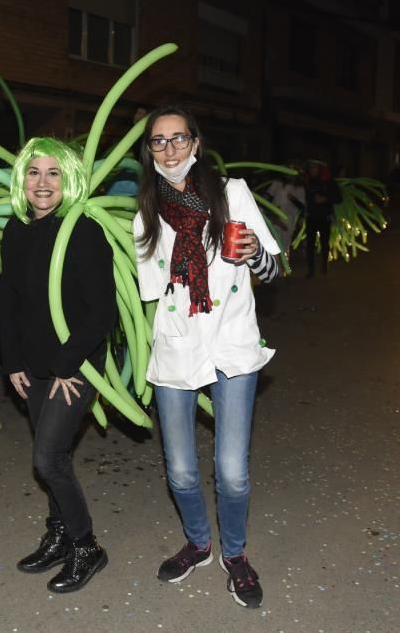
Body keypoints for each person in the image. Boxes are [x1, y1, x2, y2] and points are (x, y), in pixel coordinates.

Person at [134, 105, 280, 609]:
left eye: (179, 138)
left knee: (232, 470)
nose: (170, 149)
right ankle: (199, 543)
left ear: (196, 143)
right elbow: (151, 290)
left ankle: (234, 554)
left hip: (233, 344)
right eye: (159, 141)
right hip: (177, 344)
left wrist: (253, 254)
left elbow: (274, 268)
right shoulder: (146, 214)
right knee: (179, 469)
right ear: (150, 151)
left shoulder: (231, 193)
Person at [0, 138, 115, 593]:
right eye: (33, 172)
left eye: (52, 173)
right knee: (55, 457)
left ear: (67, 179)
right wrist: (11, 361)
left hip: (76, 363)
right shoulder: (15, 229)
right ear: (21, 180)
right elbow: (8, 301)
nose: (42, 183)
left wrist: (69, 364)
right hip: (33, 365)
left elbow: (101, 312)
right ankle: (60, 532)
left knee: (47, 458)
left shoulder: (83, 230)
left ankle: (87, 547)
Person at [303, 161, 339, 277]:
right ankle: (311, 270)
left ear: (320, 169)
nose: (311, 169)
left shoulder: (328, 182)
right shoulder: (307, 181)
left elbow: (339, 197)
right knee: (310, 245)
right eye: (310, 167)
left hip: (324, 217)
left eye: (314, 167)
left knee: (324, 243)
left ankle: (324, 265)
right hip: (311, 217)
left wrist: (325, 198)